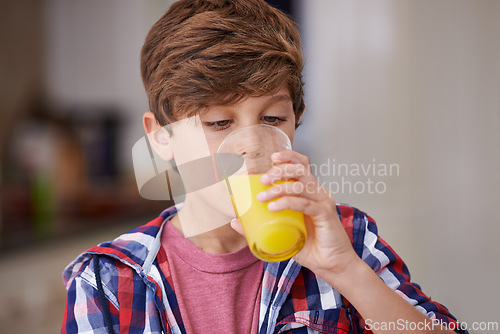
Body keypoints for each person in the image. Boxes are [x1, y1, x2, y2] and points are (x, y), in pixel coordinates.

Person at [61, 1, 467, 333]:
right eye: (219, 123)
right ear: (160, 136)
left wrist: (344, 270)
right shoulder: (106, 282)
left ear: (297, 120)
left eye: (273, 119)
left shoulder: (348, 240)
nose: (251, 147)